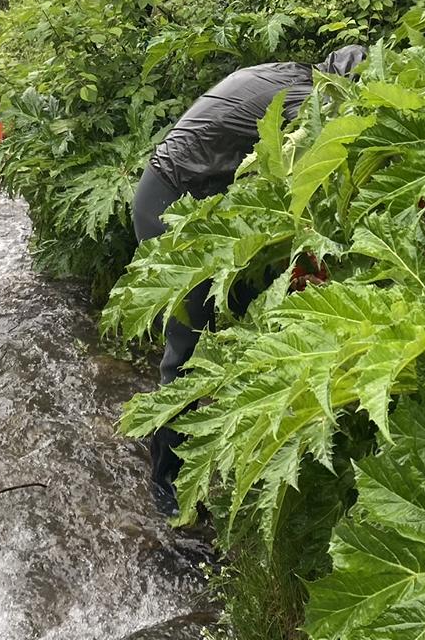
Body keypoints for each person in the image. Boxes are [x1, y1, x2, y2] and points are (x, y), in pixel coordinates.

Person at [133, 43, 368, 513]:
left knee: (239, 319)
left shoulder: (286, 72)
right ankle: (168, 482)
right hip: (173, 206)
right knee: (189, 348)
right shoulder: (307, 104)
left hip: (179, 193)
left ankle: (222, 442)